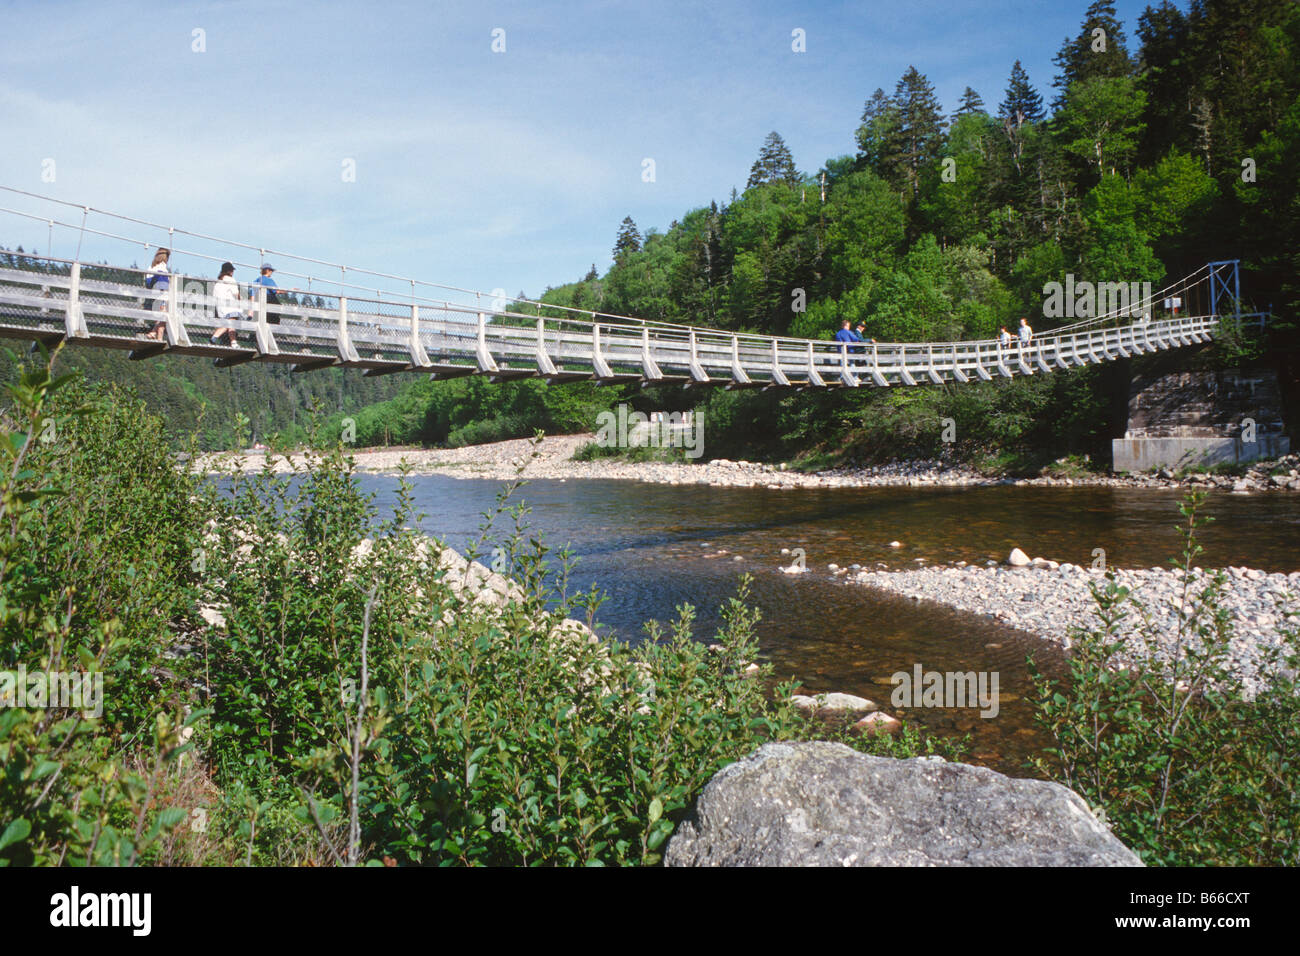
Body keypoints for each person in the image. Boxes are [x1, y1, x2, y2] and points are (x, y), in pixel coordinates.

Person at [211, 262, 246, 346]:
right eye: (232, 270)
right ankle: (215, 337)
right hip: (230, 307)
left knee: (230, 324)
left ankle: (233, 342)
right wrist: (241, 299)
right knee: (231, 323)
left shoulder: (218, 282)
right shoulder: (230, 280)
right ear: (230, 271)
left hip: (220, 308)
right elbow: (235, 292)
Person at [143, 248, 170, 341]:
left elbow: (148, 282)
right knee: (164, 316)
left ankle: (156, 335)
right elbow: (163, 284)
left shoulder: (151, 267)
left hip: (155, 294)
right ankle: (157, 336)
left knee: (162, 316)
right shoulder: (162, 268)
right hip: (162, 294)